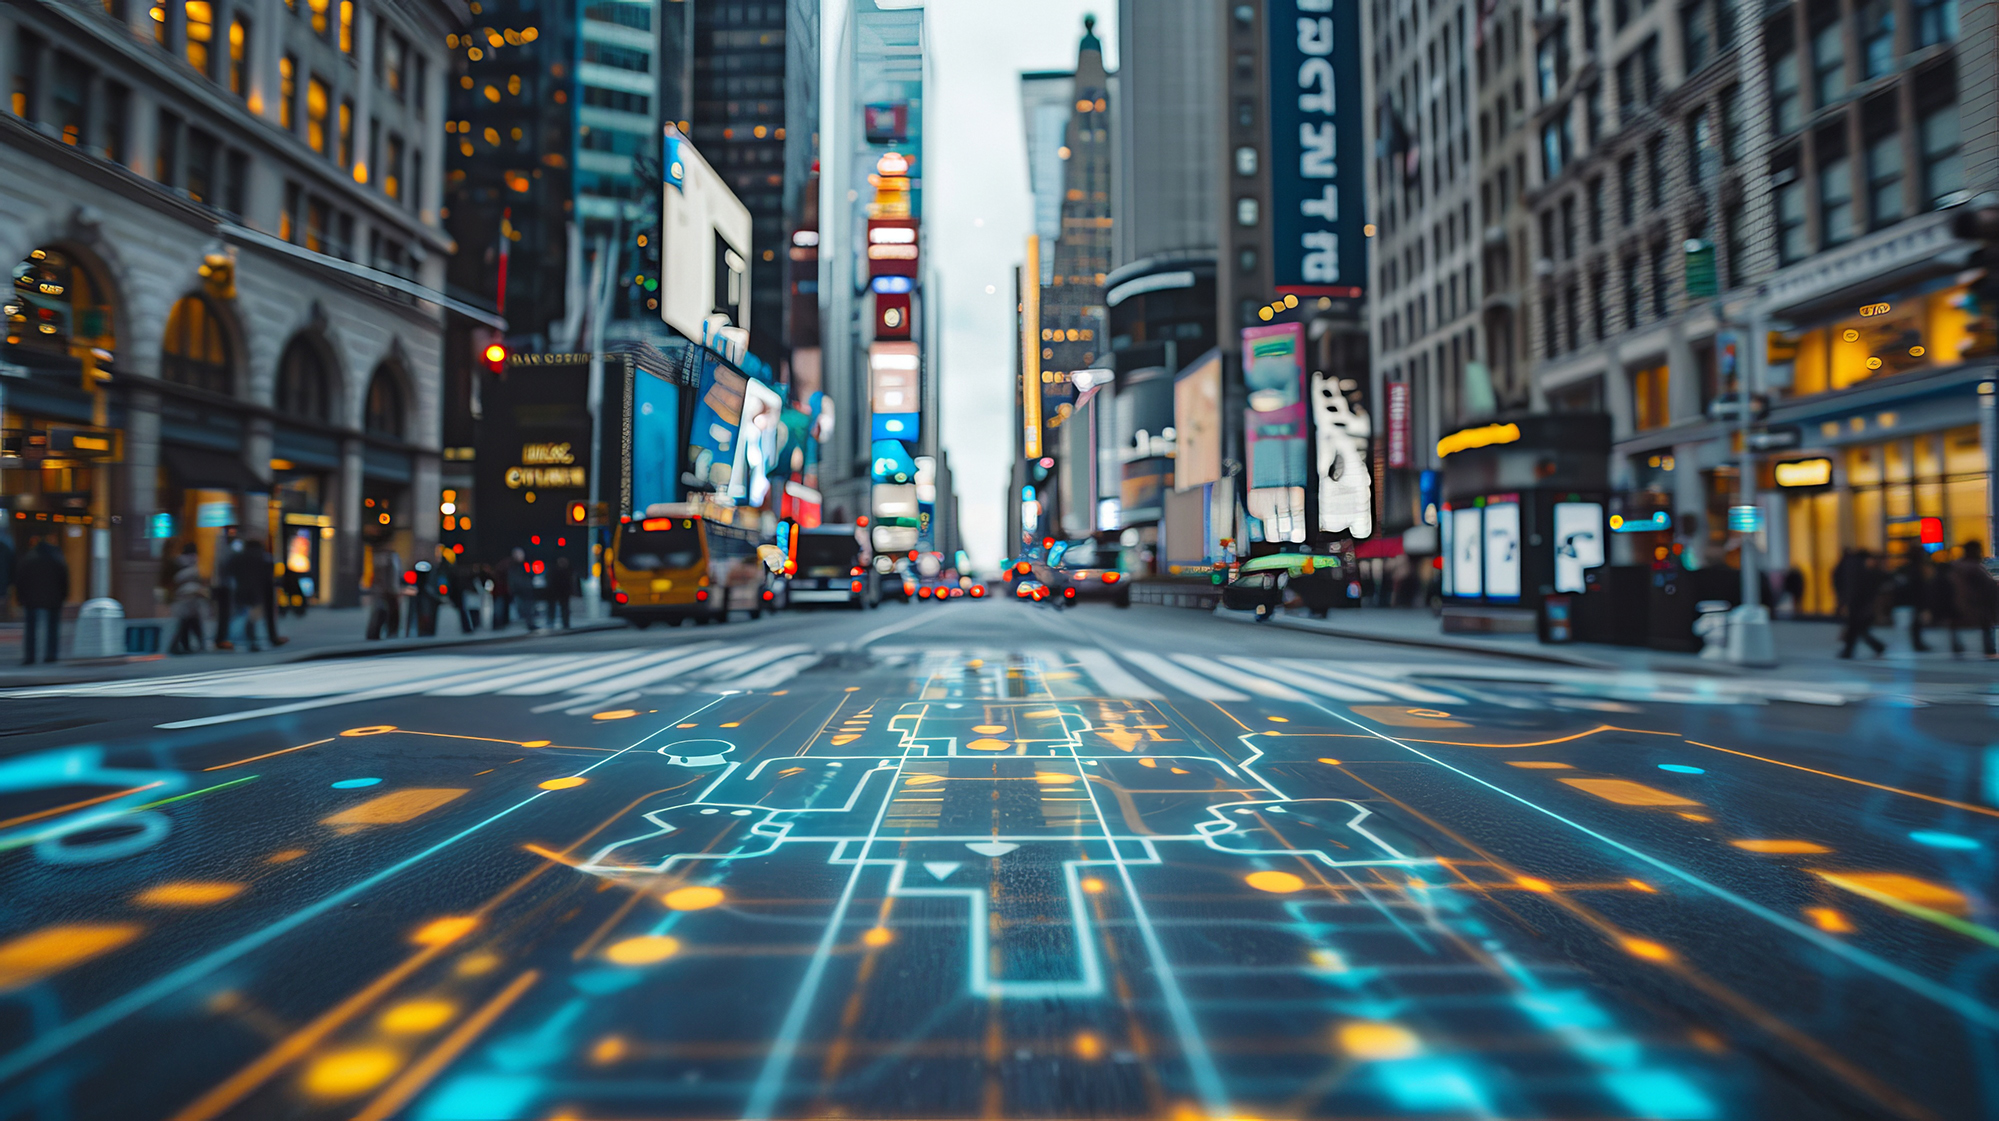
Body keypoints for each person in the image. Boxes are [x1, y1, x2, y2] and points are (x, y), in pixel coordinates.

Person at [16, 537, 68, 664]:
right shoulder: (56, 560)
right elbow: (64, 580)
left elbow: (21, 580)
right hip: (53, 599)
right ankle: (51, 655)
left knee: (31, 629)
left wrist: (21, 597)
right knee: (52, 628)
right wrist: (63, 596)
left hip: (31, 599)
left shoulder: (29, 560)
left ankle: (30, 657)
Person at [1947, 541, 1999, 659]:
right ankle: (1989, 649)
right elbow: (1985, 585)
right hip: (1973, 602)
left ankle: (1957, 646)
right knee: (1986, 623)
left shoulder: (1958, 566)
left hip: (1966, 602)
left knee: (1958, 624)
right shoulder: (1971, 567)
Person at [231, 537, 280, 652]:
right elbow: (269, 574)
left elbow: (230, 570)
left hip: (242, 590)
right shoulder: (264, 557)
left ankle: (246, 639)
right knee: (256, 617)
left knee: (244, 616)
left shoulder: (239, 557)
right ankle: (260, 639)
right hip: (260, 591)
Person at [1836, 548, 1886, 658]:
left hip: (1859, 604)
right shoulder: (1861, 570)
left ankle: (1849, 651)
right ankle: (1877, 647)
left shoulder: (1855, 568)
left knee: (1856, 629)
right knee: (1858, 629)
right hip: (1859, 604)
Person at [167, 544, 208, 655]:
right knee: (188, 623)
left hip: (181, 597)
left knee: (186, 622)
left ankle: (185, 645)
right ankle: (177, 646)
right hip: (191, 597)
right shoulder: (193, 565)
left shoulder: (177, 563)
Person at [1894, 550, 1933, 653]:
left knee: (1915, 624)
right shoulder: (1917, 570)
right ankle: (1918, 644)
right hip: (1916, 600)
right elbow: (1920, 588)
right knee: (1916, 623)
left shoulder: (1906, 569)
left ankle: (1917, 643)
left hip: (1910, 600)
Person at [212, 530, 240, 649]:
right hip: (224, 586)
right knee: (225, 614)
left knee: (225, 614)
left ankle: (222, 638)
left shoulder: (220, 550)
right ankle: (222, 639)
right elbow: (227, 567)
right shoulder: (226, 551)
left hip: (221, 585)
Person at [366, 550, 402, 641]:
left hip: (389, 589)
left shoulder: (392, 557)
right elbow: (382, 576)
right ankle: (377, 632)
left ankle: (388, 632)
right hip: (386, 590)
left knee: (388, 611)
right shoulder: (386, 557)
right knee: (383, 610)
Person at [506, 547, 538, 630]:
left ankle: (530, 623)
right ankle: (528, 623)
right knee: (523, 608)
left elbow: (530, 575)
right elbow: (513, 579)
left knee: (529, 608)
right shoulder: (513, 566)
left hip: (526, 589)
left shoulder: (524, 565)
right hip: (519, 590)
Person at [545, 555, 574, 629]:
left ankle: (559, 622)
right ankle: (563, 623)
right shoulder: (565, 571)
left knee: (560, 608)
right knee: (561, 608)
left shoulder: (556, 571)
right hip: (558, 591)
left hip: (559, 591)